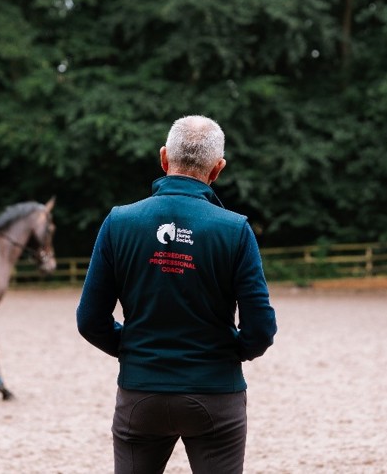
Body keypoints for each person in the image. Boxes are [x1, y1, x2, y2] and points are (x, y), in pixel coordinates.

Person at [76, 115, 277, 473]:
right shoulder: (235, 230)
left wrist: (132, 348)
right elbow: (260, 328)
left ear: (164, 158)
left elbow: (90, 319)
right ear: (217, 169)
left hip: (141, 393)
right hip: (215, 393)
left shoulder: (119, 222)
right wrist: (229, 354)